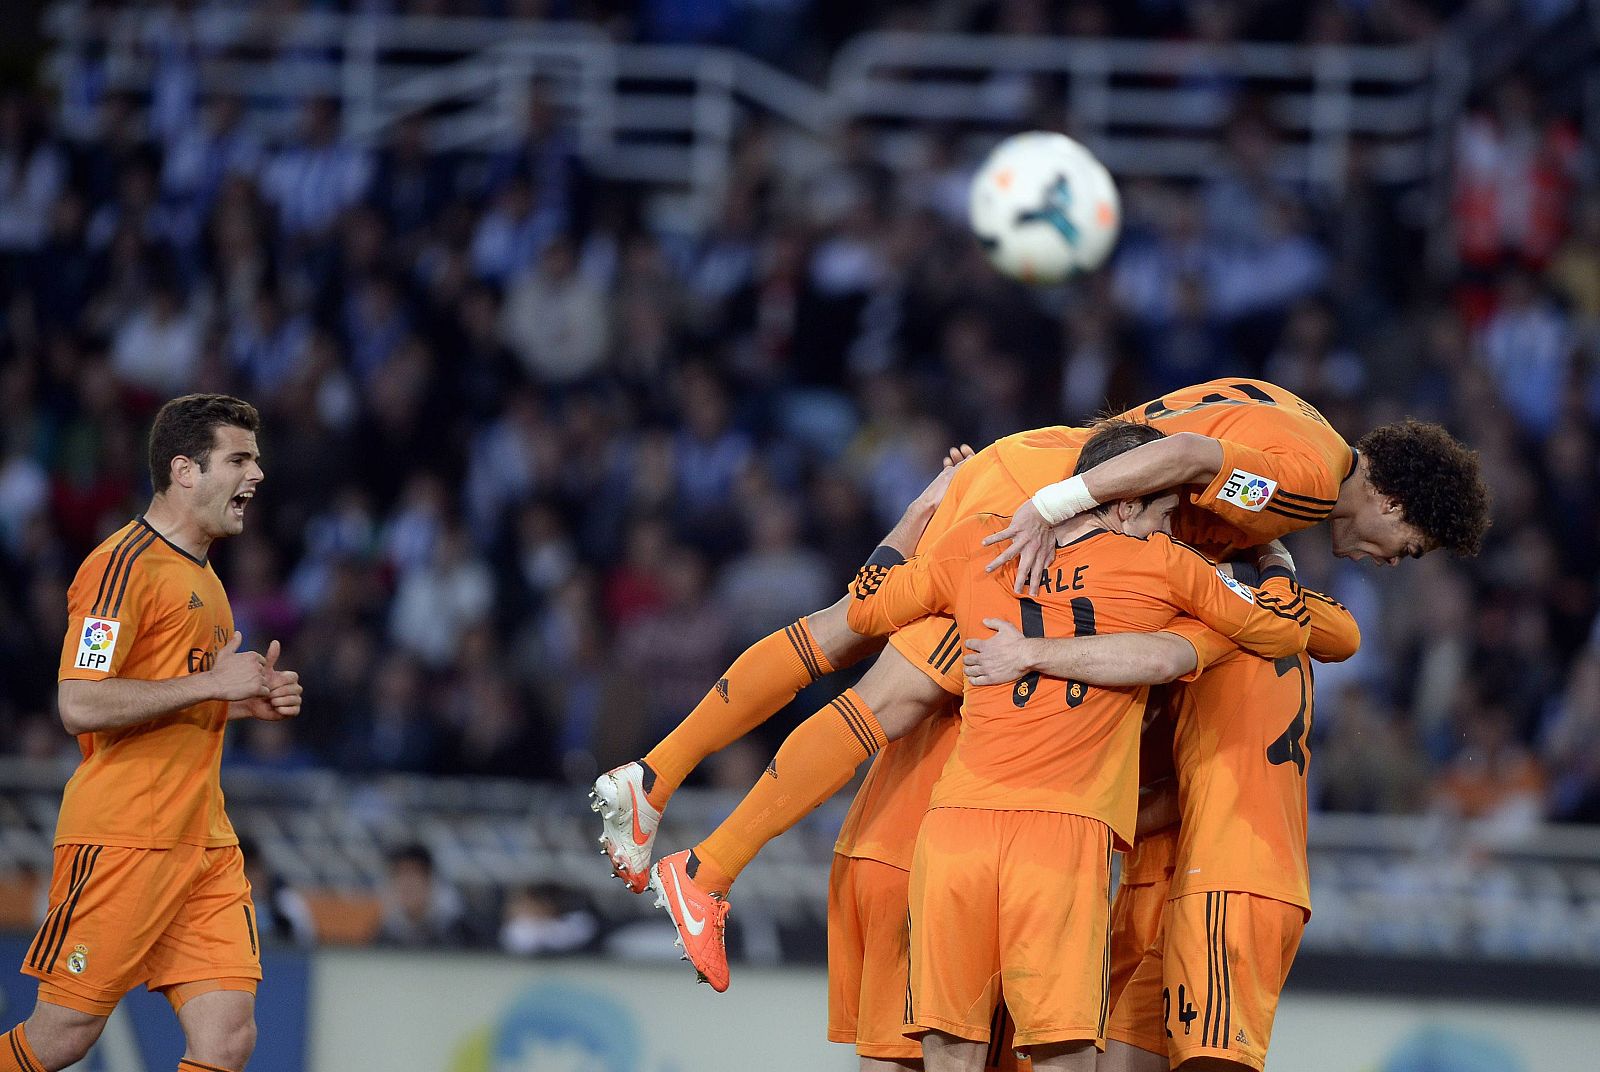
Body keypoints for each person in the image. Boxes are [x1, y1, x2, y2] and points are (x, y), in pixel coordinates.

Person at [593, 379, 1489, 1013]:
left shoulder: (1306, 430)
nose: (1391, 561)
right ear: (1396, 502)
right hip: (1056, 509)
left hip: (1042, 472)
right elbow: (1180, 456)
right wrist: (1056, 508)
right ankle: (705, 867)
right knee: (896, 696)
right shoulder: (1305, 481)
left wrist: (1276, 558)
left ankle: (658, 782)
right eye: (1406, 546)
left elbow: (1214, 472)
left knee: (848, 628)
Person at [705, 421, 1309, 1072]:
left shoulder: (976, 547)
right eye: (1164, 512)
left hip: (955, 834)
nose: (1170, 529)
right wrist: (1275, 562)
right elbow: (1277, 634)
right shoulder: (1164, 567)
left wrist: (921, 510)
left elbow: (863, 607)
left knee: (948, 1056)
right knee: (1062, 1056)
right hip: (1060, 839)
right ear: (1127, 500)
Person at [0, 394, 302, 1072]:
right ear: (185, 471)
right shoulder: (120, 567)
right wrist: (210, 686)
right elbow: (79, 702)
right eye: (240, 459)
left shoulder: (210, 582)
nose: (257, 476)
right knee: (61, 1040)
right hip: (123, 837)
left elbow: (176, 697)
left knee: (227, 1038)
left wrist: (243, 703)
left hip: (204, 841)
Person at [969, 577, 1361, 1072]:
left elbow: (1158, 659)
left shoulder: (1226, 626)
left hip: (1232, 876)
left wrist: (1030, 653)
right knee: (1116, 1059)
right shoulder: (1283, 619)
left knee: (1213, 1060)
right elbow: (1347, 634)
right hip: (1216, 878)